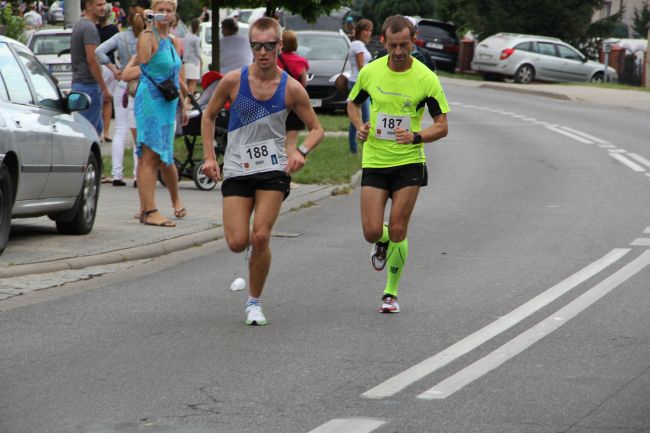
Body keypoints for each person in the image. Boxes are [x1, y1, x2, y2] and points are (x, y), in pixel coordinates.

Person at [201, 17, 324, 326]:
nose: (264, 52)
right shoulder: (233, 81)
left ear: (279, 46)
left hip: (272, 170)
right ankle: (251, 253)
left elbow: (317, 129)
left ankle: (254, 303)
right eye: (257, 46)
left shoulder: (291, 88)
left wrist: (301, 151)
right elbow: (208, 115)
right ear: (251, 47)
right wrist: (209, 158)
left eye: (270, 45)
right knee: (237, 242)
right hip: (237, 169)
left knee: (261, 235)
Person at [347, 15, 449, 314]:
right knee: (371, 231)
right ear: (384, 42)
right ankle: (382, 239)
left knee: (399, 231)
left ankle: (390, 293)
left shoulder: (426, 78)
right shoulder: (371, 72)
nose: (399, 51)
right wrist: (360, 125)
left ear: (413, 41)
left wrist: (417, 135)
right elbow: (353, 103)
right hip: (376, 160)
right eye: (393, 45)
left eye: (405, 45)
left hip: (409, 162)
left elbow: (442, 126)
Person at [135, 0, 188, 227]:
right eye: (160, 10)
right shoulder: (149, 37)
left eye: (169, 10)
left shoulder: (172, 41)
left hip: (168, 104)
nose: (165, 14)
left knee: (163, 155)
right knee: (150, 155)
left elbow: (176, 76)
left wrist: (184, 103)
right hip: (150, 102)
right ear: (152, 13)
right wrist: (148, 27)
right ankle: (150, 211)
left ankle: (150, 207)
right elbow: (145, 59)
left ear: (175, 15)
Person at [96, 3, 145, 187]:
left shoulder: (121, 36)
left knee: (121, 129)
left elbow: (98, 51)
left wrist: (113, 68)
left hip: (122, 83)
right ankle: (137, 175)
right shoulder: (147, 38)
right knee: (137, 131)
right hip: (140, 85)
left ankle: (117, 174)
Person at [71, 0, 111, 136]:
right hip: (89, 85)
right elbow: (92, 60)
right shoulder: (89, 28)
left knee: (95, 130)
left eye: (104, 4)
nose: (103, 8)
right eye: (99, 5)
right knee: (89, 135)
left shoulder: (79, 25)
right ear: (88, 6)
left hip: (79, 84)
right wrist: (104, 88)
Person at [277, 30, 309, 152]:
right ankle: (288, 168)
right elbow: (304, 83)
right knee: (291, 141)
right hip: (295, 103)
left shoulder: (276, 60)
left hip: (278, 102)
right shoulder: (301, 61)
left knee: (278, 138)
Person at [347, 18, 373, 154]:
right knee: (365, 117)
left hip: (362, 83)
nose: (368, 33)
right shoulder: (357, 44)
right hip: (359, 84)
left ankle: (353, 148)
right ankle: (364, 148)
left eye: (370, 30)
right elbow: (361, 66)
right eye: (366, 30)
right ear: (359, 31)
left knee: (355, 118)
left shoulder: (360, 44)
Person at [97, 4, 120, 145]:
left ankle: (98, 132)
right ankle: (106, 132)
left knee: (97, 101)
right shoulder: (113, 30)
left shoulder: (93, 29)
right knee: (107, 100)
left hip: (97, 66)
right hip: (109, 66)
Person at [183, 18, 201, 96]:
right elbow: (197, 52)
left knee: (186, 82)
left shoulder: (186, 36)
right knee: (193, 82)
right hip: (194, 62)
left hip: (186, 61)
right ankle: (190, 100)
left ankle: (185, 99)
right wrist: (201, 59)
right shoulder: (196, 38)